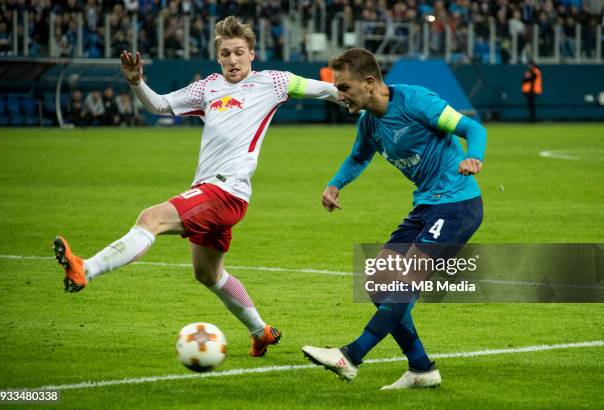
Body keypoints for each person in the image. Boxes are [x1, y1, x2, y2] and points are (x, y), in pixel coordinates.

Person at [53, 16, 338, 357]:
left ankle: (86, 268)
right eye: (226, 53)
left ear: (252, 55)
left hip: (226, 191)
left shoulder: (273, 82)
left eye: (239, 53)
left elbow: (324, 89)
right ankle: (260, 331)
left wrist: (359, 98)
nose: (233, 59)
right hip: (212, 191)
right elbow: (160, 106)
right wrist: (136, 82)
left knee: (151, 218)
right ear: (218, 57)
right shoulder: (208, 88)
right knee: (208, 273)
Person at [301, 48, 486, 389]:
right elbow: (358, 156)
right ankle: (421, 368)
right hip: (426, 206)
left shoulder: (417, 102)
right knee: (379, 282)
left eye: (344, 87)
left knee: (406, 279)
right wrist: (335, 185)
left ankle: (351, 355)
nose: (339, 95)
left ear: (369, 82)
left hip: (457, 204)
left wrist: (473, 157)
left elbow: (472, 128)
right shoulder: (369, 122)